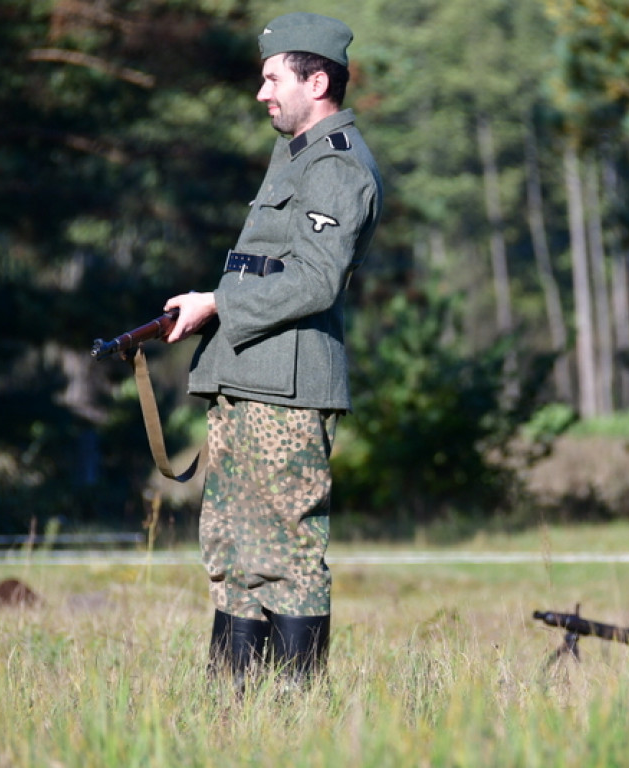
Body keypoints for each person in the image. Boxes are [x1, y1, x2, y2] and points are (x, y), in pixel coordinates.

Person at [163, 12, 382, 686]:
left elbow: (316, 281)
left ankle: (296, 710)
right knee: (232, 550)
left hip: (286, 393)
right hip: (253, 381)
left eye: (272, 78)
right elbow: (274, 271)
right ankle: (232, 702)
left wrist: (222, 304)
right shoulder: (299, 157)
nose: (262, 93)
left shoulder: (337, 167)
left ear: (316, 81)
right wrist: (211, 305)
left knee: (286, 551)